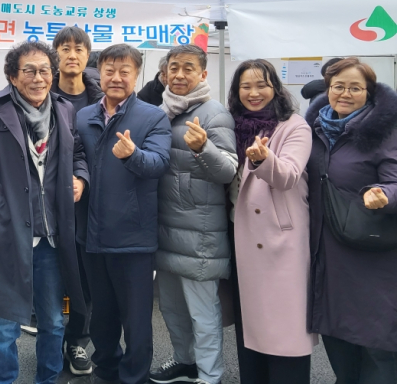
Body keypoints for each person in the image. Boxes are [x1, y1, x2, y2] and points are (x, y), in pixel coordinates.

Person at [0, 40, 90, 384]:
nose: (38, 78)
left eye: (44, 70)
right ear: (12, 77)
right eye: (29, 71)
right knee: (4, 326)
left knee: (53, 322)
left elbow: (77, 153)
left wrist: (81, 178)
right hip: (8, 232)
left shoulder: (64, 109)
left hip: (51, 236)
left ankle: (48, 378)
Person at [77, 44, 171, 384]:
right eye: (109, 71)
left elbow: (159, 164)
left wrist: (133, 154)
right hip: (91, 234)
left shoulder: (152, 116)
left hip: (133, 236)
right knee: (101, 316)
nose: (116, 78)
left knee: (136, 320)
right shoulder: (83, 117)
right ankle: (106, 370)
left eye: (124, 71)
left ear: (136, 75)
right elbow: (75, 160)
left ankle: (135, 376)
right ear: (99, 74)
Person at [305, 57, 397, 383]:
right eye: (338, 86)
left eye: (355, 88)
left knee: (376, 343)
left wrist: (384, 194)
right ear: (328, 89)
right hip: (326, 254)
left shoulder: (385, 131)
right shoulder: (314, 130)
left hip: (370, 254)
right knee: (337, 333)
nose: (345, 93)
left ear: (368, 92)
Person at [150, 44, 237, 384]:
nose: (180, 74)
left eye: (188, 68)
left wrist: (203, 147)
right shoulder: (163, 110)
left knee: (203, 312)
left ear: (203, 73)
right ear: (165, 73)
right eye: (174, 67)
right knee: (171, 308)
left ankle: (210, 374)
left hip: (199, 232)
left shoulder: (215, 113)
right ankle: (184, 361)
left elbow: (228, 171)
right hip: (165, 227)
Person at [226, 59, 315, 384]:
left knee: (285, 330)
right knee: (250, 328)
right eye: (245, 86)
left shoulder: (294, 126)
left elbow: (288, 175)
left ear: (275, 88)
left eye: (261, 85)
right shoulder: (232, 126)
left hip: (280, 240)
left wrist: (264, 159)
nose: (254, 93)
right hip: (241, 236)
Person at [50, 26, 103, 375]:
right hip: (49, 204)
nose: (72, 55)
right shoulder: (42, 93)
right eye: (65, 48)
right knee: (51, 275)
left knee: (86, 279)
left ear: (87, 55)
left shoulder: (102, 99)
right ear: (56, 55)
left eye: (78, 49)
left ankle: (78, 341)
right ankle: (51, 338)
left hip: (93, 202)